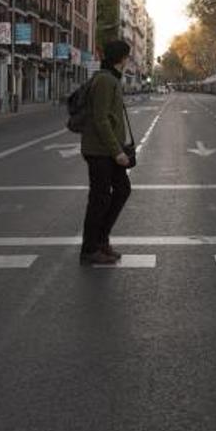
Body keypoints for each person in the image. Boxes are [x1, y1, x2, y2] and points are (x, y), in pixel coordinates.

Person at [78, 40, 134, 265]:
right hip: (100, 151)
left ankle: (101, 239)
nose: (128, 60)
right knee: (99, 199)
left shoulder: (111, 79)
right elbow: (101, 119)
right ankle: (90, 249)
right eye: (127, 56)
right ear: (121, 58)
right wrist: (117, 151)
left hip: (108, 150)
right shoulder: (104, 80)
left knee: (122, 190)